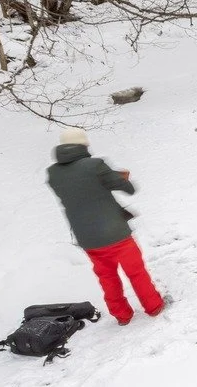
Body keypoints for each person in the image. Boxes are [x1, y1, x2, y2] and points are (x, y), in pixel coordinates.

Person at [46, 127, 165, 324]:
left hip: (87, 237)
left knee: (107, 277)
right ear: (82, 144)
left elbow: (79, 191)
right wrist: (119, 177)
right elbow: (128, 189)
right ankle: (153, 306)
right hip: (115, 232)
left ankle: (122, 315)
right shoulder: (95, 165)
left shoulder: (52, 173)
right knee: (136, 271)